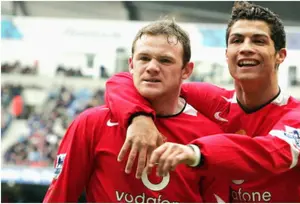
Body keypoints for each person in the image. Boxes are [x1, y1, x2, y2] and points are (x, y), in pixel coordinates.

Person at [104, 1, 300, 203]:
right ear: (227, 53)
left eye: (259, 41)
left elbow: (268, 154)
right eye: (237, 40)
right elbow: (128, 81)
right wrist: (138, 117)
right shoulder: (214, 101)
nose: (246, 47)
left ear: (280, 55)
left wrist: (196, 153)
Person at [43, 19, 228, 203]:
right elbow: (59, 197)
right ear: (131, 65)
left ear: (186, 70)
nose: (152, 68)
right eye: (144, 58)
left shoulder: (210, 136)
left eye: (165, 60)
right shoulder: (91, 124)